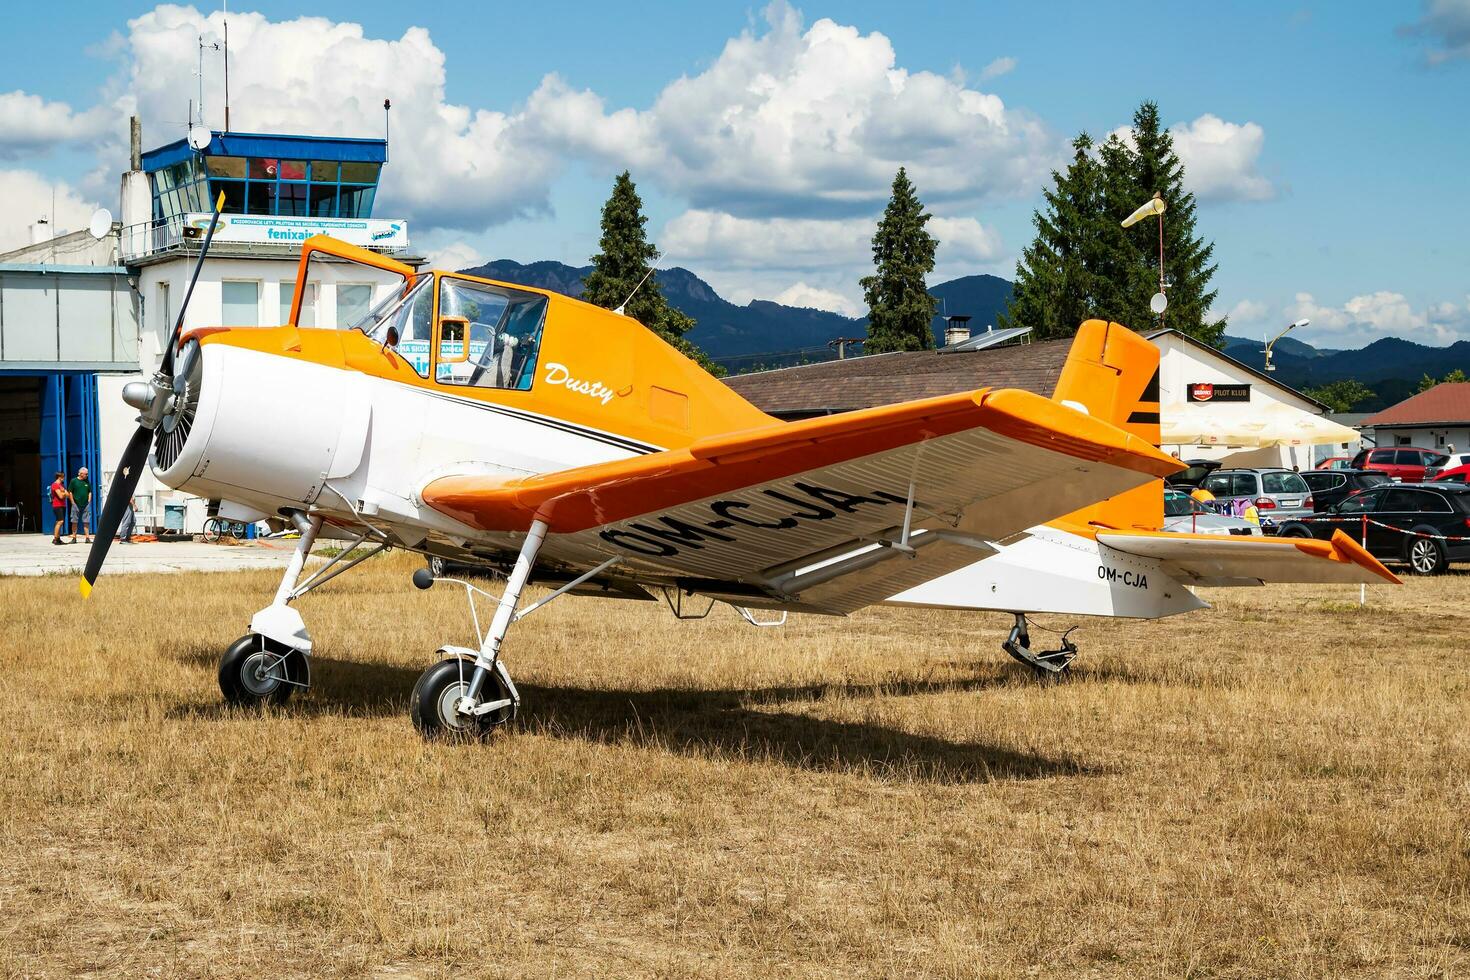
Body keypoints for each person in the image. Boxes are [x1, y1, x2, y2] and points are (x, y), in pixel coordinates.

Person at [68, 466, 92, 545]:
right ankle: (74, 538)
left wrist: (89, 500)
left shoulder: (87, 481)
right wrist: (72, 502)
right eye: (86, 474)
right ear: (81, 474)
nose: (87, 475)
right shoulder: (74, 481)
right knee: (74, 521)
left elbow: (90, 491)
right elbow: (70, 492)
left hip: (85, 504)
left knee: (86, 521)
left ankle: (87, 538)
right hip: (76, 504)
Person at [48, 471, 69, 545]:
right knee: (60, 521)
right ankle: (55, 539)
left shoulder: (62, 485)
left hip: (63, 505)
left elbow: (68, 494)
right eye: (63, 477)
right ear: (59, 477)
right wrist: (64, 493)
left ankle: (58, 538)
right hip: (57, 505)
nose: (64, 478)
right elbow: (61, 496)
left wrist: (64, 492)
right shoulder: (55, 485)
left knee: (59, 521)